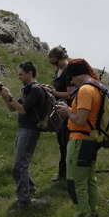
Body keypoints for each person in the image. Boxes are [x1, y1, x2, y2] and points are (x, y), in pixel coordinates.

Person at [55, 59, 102, 217]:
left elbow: (80, 120)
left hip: (79, 140)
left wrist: (67, 112)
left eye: (71, 79)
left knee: (75, 183)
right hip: (91, 140)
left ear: (75, 75)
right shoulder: (97, 87)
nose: (71, 83)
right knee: (89, 181)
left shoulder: (84, 90)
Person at [0, 61, 46, 209]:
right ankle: (29, 190)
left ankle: (24, 201)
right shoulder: (28, 89)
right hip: (23, 129)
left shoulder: (36, 90)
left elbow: (23, 110)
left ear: (29, 73)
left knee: (19, 166)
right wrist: (5, 97)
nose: (18, 77)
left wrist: (10, 97)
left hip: (30, 130)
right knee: (21, 163)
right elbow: (14, 109)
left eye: (21, 74)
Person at [40, 46, 74, 182]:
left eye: (55, 62)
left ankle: (67, 174)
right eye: (51, 63)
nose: (54, 65)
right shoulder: (59, 70)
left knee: (66, 141)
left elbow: (71, 94)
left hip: (68, 111)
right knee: (61, 141)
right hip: (61, 111)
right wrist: (51, 89)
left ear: (63, 58)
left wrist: (53, 93)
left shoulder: (68, 71)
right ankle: (63, 173)